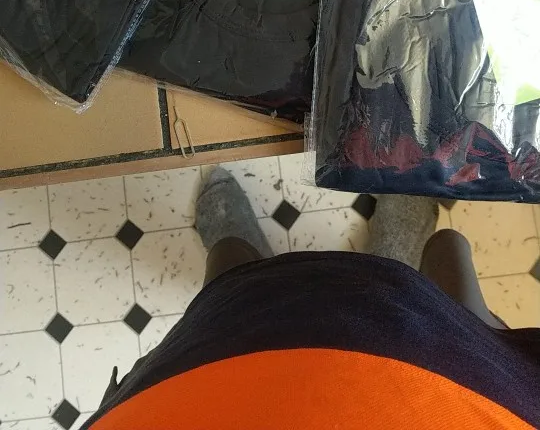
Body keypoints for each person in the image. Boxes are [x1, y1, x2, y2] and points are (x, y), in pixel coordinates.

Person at [82, 168, 539, 430]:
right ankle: (395, 258)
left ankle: (237, 253)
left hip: (205, 377)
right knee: (448, 251)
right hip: (464, 384)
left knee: (226, 283)